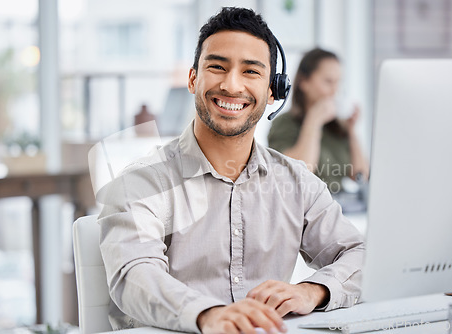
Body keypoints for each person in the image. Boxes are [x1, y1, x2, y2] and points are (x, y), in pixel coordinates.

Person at [98, 7, 364, 334]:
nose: (231, 85)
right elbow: (135, 275)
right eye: (217, 67)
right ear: (193, 78)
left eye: (251, 71)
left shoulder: (297, 182)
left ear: (272, 92)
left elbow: (359, 254)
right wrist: (208, 314)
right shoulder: (142, 182)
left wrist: (312, 291)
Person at [268, 48, 369, 193]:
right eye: (328, 82)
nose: (335, 91)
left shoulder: (336, 126)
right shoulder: (284, 124)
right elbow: (299, 173)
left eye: (338, 82)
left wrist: (352, 131)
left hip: (338, 205)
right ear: (304, 82)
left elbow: (360, 175)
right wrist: (313, 121)